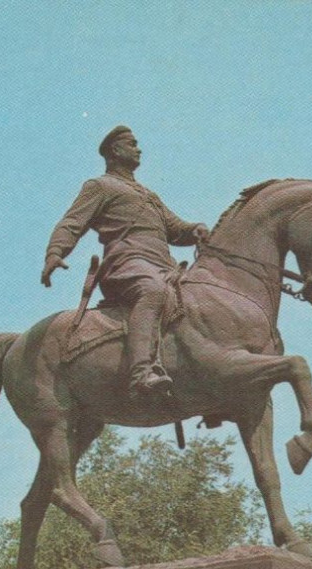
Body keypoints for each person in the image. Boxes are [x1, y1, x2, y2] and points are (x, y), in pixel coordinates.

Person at [41, 126, 210, 395]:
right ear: (115, 151)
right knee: (153, 291)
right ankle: (142, 372)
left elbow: (175, 228)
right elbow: (72, 223)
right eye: (132, 144)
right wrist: (55, 253)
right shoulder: (100, 186)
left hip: (162, 266)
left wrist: (195, 229)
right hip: (126, 265)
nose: (138, 148)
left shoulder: (148, 195)